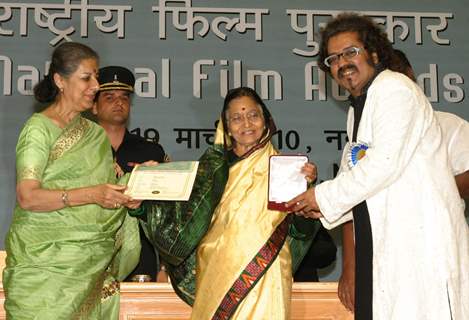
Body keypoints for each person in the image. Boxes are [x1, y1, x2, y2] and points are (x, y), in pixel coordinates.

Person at [287, 13, 469, 319]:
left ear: (373, 53)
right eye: (333, 58)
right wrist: (316, 202)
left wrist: (322, 197)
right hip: (387, 244)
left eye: (350, 52)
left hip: (420, 246)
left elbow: (384, 163)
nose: (341, 62)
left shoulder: (394, 88)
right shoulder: (358, 109)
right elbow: (356, 172)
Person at [130, 86, 322, 319]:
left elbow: (302, 232)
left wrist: (306, 192)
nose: (247, 124)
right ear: (226, 127)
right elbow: (179, 220)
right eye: (237, 118)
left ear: (266, 120)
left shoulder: (286, 170)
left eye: (253, 115)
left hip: (267, 273)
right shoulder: (210, 171)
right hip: (216, 272)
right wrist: (146, 192)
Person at [3, 42, 142, 319]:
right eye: (86, 77)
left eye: (96, 77)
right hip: (42, 272)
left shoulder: (95, 134)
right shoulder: (38, 130)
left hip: (89, 268)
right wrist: (92, 194)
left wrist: (139, 181)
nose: (95, 86)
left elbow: (108, 191)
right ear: (60, 80)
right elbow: (28, 197)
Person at [338, 48, 469, 312]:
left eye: (397, 77)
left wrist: (424, 189)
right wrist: (351, 269)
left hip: (429, 248)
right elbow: (350, 202)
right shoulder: (362, 135)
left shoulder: (447, 125)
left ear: (410, 78)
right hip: (378, 255)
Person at [93, 65, 167, 282]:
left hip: (140, 260)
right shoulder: (79, 151)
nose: (119, 103)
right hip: (90, 257)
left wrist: (165, 267)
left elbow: (164, 214)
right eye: (109, 97)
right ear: (94, 107)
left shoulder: (151, 151)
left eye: (124, 97)